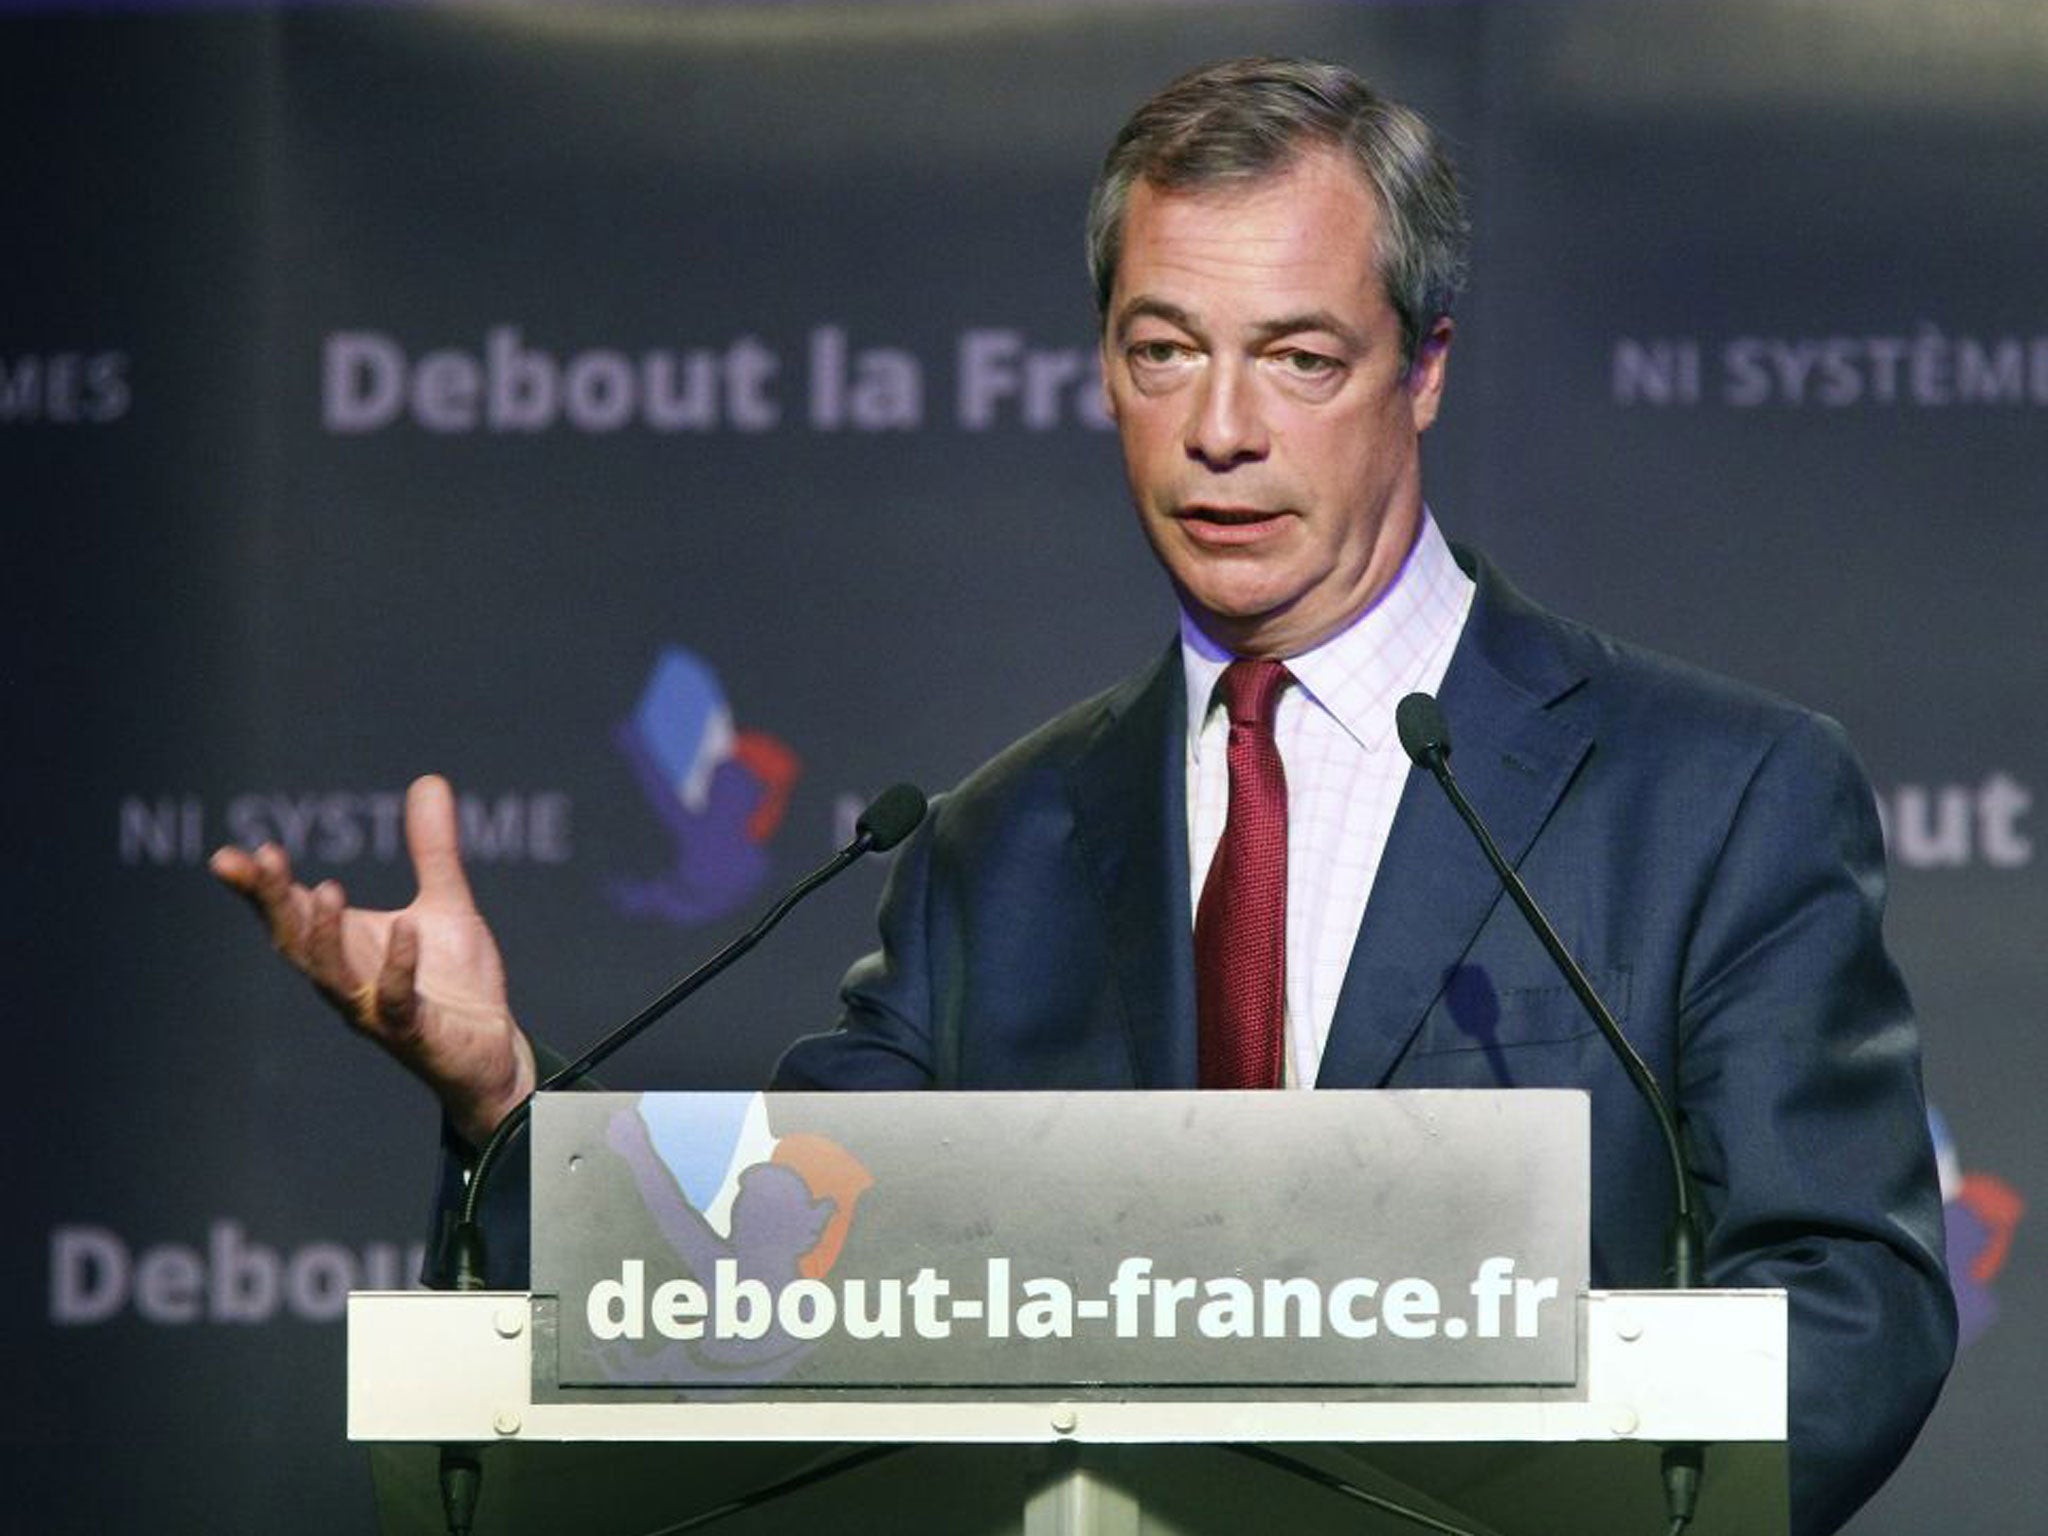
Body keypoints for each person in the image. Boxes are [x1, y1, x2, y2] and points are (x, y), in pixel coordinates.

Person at [212, 57, 1953, 1536]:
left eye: (1300, 358)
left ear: (1423, 371)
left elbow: (1855, 1305)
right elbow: (775, 1270)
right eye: (1161, 350)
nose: (1219, 431)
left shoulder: (1710, 793)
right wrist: (505, 1103)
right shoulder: (994, 849)